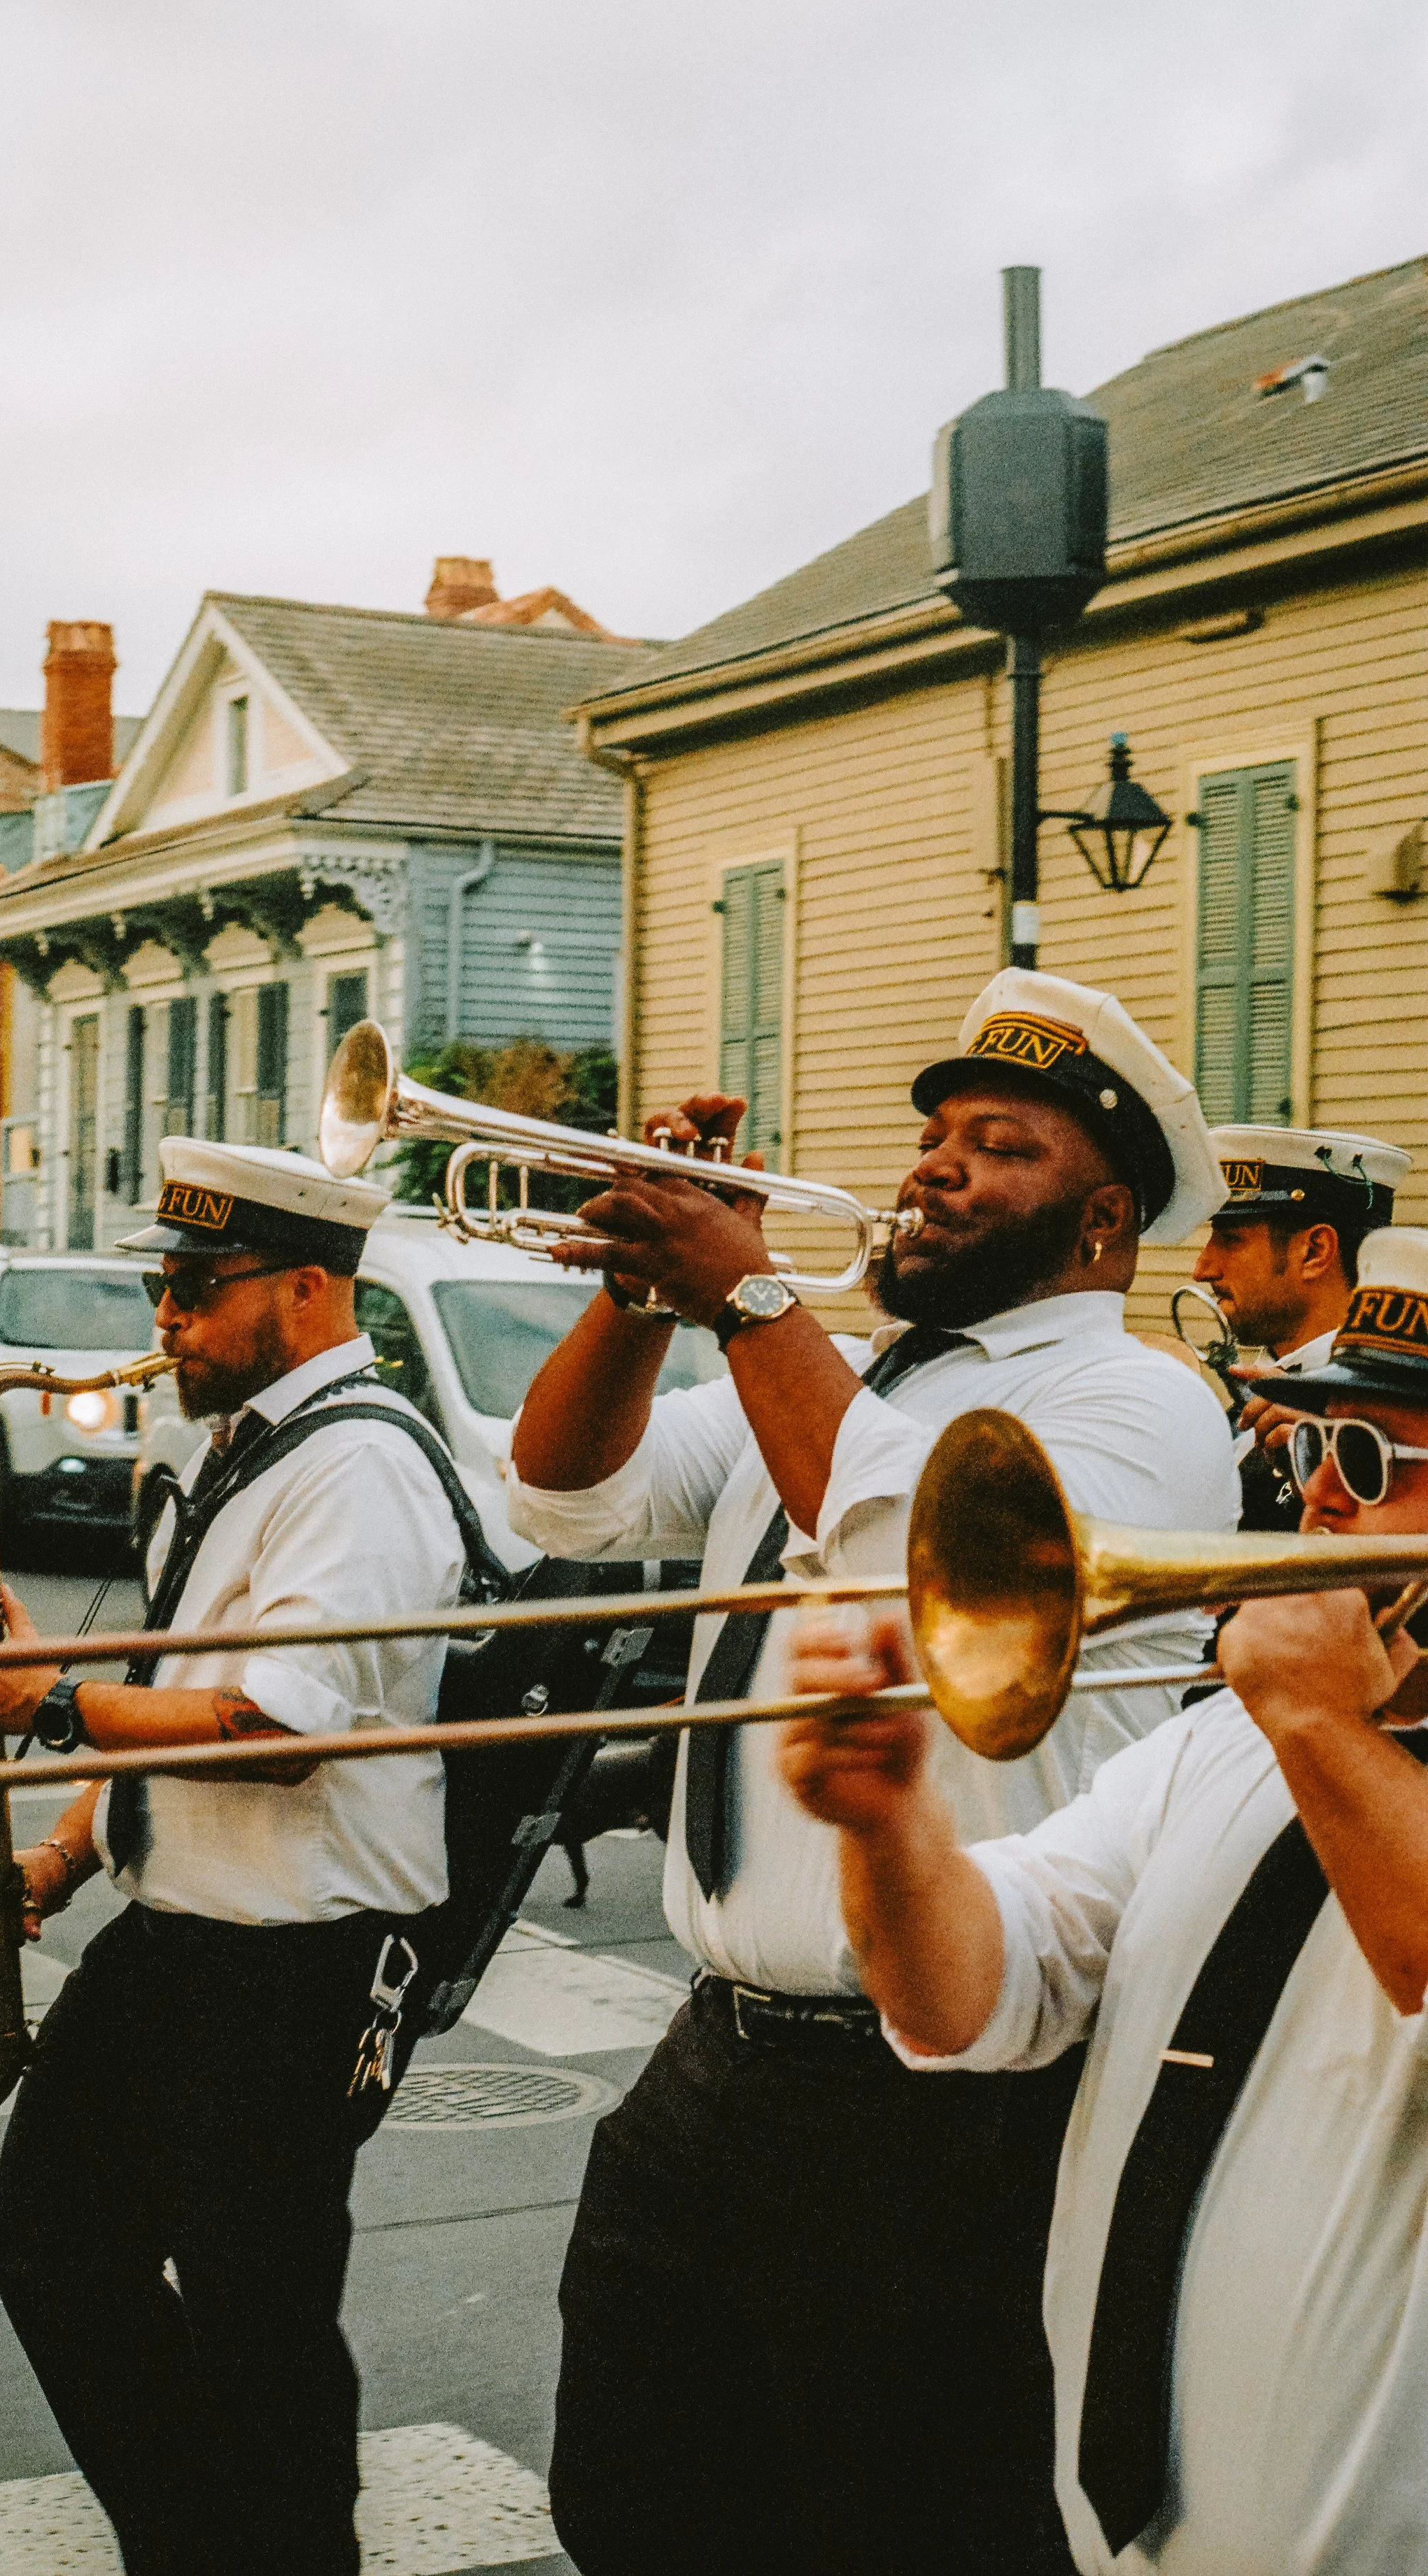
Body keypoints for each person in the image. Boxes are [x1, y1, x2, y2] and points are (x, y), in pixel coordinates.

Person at [506, 968, 1237, 2576]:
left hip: (944, 2101)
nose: (934, 1163)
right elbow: (564, 1486)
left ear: (1104, 1217)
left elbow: (917, 1557)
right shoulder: (848, 1380)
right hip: (715, 2056)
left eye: (999, 1144)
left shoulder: (1138, 1399)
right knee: (635, 2500)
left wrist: (755, 1300)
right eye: (932, 1133)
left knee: (889, 2524)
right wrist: (639, 1276)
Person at [786, 1221, 1428, 2575]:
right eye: (1303, 1449)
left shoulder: (1294, 1724)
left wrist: (1321, 1727)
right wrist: (888, 1824)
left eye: (1363, 1461)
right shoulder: (1221, 1736)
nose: (1310, 1500)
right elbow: (972, 1990)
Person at [0, 1139, 470, 2576]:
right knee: (50, 2243)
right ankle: (200, 2546)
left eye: (190, 1288)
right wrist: (59, 1851)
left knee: (258, 2310)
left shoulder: (361, 1468)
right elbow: (178, 1683)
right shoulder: (231, 1445)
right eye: (160, 1285)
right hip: (178, 1935)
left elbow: (268, 1726)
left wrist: (42, 1701)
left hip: (297, 1960)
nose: (162, 1317)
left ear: (305, 1287)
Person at [1192, 1123, 1409, 1529]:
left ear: (1314, 1251)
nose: (1202, 1268)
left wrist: (1335, 1460)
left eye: (1231, 1239)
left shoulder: (1395, 1426)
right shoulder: (1252, 1396)